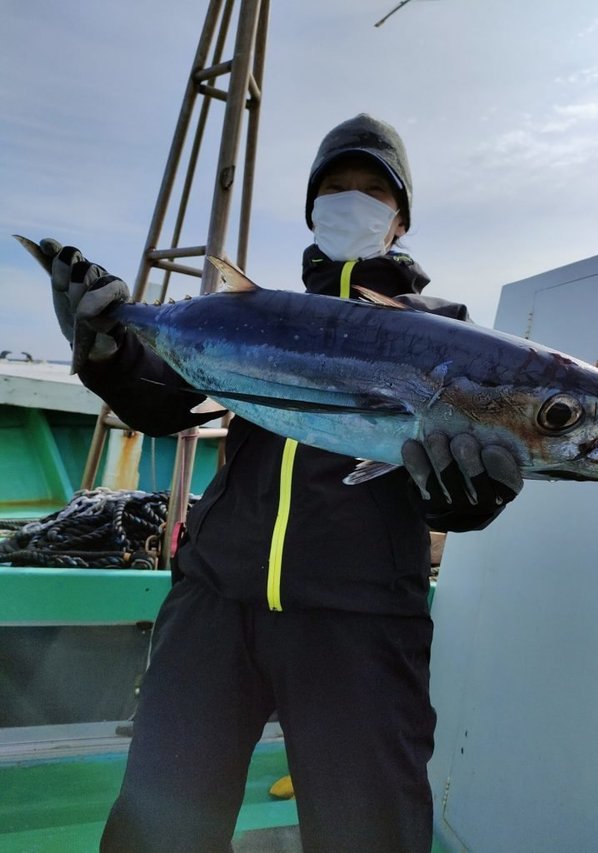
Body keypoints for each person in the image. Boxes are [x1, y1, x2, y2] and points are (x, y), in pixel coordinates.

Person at [42, 114, 523, 853]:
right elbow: (163, 402)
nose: (353, 201)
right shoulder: (252, 317)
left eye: (372, 189)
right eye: (336, 187)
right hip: (216, 597)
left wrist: (466, 498)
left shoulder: (446, 331)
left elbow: (446, 486)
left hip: (359, 618)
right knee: (160, 826)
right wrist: (105, 352)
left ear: (400, 219)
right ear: (312, 207)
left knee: (371, 833)